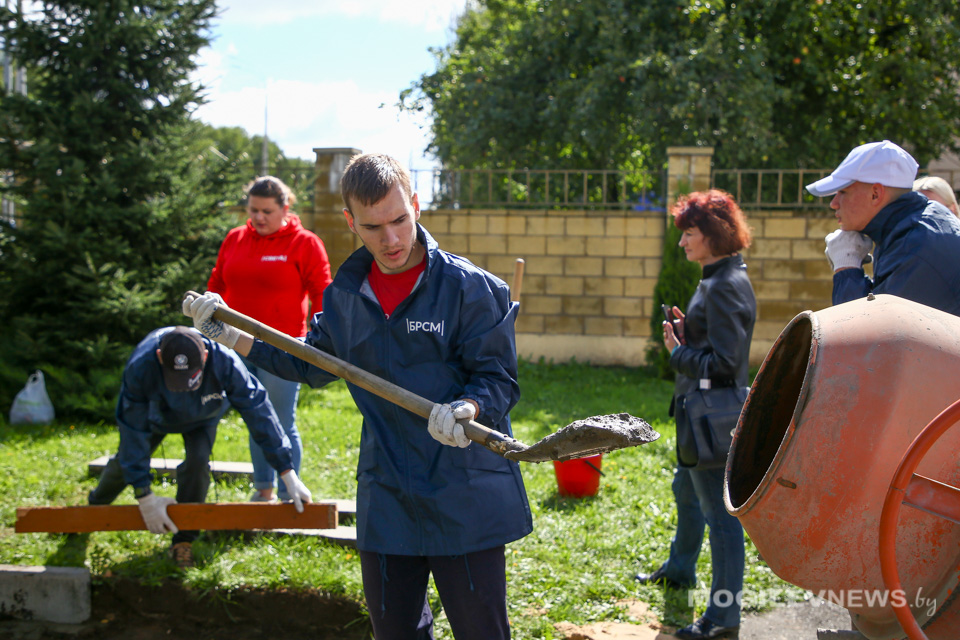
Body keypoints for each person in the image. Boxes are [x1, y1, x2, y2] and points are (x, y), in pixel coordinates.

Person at [184, 153, 532, 640]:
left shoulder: (469, 289)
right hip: (388, 486)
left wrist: (469, 408)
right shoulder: (346, 296)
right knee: (395, 632)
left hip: (462, 487)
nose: (390, 239)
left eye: (399, 220)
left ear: (415, 205)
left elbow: (497, 378)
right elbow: (309, 361)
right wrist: (230, 334)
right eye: (372, 227)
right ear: (351, 222)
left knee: (481, 631)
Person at [88, 326, 312, 569]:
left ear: (205, 356)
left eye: (190, 378)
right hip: (154, 417)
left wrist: (286, 470)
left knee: (198, 463)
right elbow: (132, 432)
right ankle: (92, 510)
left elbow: (258, 412)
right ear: (160, 357)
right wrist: (145, 497)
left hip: (203, 416)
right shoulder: (140, 367)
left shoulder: (225, 361)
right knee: (124, 463)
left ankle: (183, 540)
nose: (184, 386)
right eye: (177, 379)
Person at [635, 190, 755, 640]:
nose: (682, 243)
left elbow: (725, 365)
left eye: (689, 233)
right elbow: (719, 346)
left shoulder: (724, 286)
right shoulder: (716, 277)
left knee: (722, 523)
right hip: (698, 416)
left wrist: (678, 352)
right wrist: (691, 334)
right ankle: (681, 569)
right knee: (685, 493)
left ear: (713, 234)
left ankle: (724, 618)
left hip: (713, 421)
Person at [207, 176, 332, 503]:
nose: (259, 217)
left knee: (278, 419)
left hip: (283, 347)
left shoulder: (304, 243)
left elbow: (322, 292)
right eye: (253, 210)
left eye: (266, 211)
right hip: (234, 343)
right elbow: (217, 282)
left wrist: (318, 340)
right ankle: (264, 490)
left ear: (285, 208)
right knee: (254, 416)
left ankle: (293, 494)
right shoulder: (235, 239)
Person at [806, 140, 960, 315]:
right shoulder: (918, 226)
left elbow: (861, 334)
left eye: (843, 192)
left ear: (875, 194)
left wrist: (846, 267)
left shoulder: (913, 246)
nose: (834, 204)